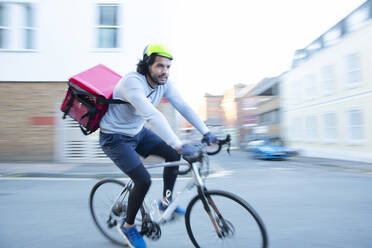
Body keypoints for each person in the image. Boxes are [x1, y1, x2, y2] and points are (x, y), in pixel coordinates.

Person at [99, 43, 217, 248]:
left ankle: (166, 201)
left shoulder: (164, 84)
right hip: (114, 138)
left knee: (172, 155)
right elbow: (152, 115)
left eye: (168, 67)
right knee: (143, 180)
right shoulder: (132, 83)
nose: (165, 71)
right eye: (160, 66)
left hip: (136, 132)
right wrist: (179, 144)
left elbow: (183, 106)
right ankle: (127, 227)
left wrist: (206, 132)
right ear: (147, 65)